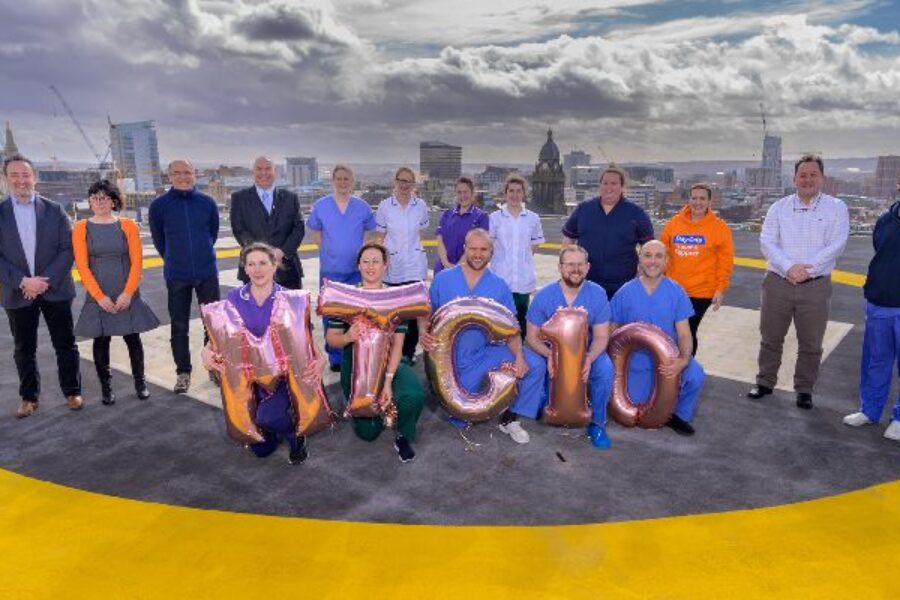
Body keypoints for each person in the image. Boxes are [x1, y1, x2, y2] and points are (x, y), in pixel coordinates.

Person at [747, 155, 849, 410]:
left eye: (813, 174)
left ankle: (804, 389)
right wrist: (789, 267)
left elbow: (837, 244)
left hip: (815, 285)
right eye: (802, 175)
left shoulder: (837, 208)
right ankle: (765, 382)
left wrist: (806, 269)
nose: (808, 180)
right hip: (778, 282)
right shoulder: (778, 208)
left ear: (822, 178)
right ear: (794, 179)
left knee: (811, 342)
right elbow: (767, 241)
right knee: (770, 337)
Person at [202, 243, 317, 464]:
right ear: (245, 269)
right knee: (261, 450)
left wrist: (318, 360)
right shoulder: (234, 298)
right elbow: (219, 333)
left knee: (268, 416)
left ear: (275, 266)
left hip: (281, 376)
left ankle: (295, 437)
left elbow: (305, 337)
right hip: (248, 375)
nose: (257, 269)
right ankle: (271, 426)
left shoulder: (290, 298)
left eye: (263, 263)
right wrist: (205, 351)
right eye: (251, 264)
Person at [421, 228, 540, 443]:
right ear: (465, 249)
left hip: (486, 353)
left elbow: (511, 329)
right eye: (473, 249)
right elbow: (425, 313)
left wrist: (520, 357)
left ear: (491, 252)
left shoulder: (499, 285)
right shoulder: (443, 279)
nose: (478, 254)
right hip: (449, 361)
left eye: (483, 249)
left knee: (535, 364)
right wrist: (422, 331)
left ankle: (510, 416)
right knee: (458, 414)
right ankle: (465, 398)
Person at [325, 242, 425, 463]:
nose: (371, 266)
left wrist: (388, 381)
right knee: (368, 433)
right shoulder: (346, 296)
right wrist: (348, 337)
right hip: (356, 369)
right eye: (366, 261)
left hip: (390, 364)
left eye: (376, 261)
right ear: (358, 265)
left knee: (413, 395)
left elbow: (398, 344)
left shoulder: (394, 297)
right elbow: (331, 338)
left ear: (385, 266)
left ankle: (403, 434)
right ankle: (380, 411)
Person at [0, 154, 82, 417]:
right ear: (5, 179)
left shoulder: (55, 210)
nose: (21, 180)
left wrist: (43, 282)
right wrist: (23, 281)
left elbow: (67, 249)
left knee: (65, 344)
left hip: (55, 289)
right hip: (17, 290)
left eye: (25, 175)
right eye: (14, 175)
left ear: (34, 177)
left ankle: (72, 391)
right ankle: (28, 398)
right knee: (24, 348)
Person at [519, 245, 615, 449]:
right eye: (570, 264)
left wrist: (589, 358)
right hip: (549, 352)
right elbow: (532, 336)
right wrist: (550, 355)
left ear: (588, 267)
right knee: (532, 361)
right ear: (560, 267)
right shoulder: (544, 295)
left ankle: (597, 423)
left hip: (584, 353)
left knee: (604, 367)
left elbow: (600, 336)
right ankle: (539, 403)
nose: (575, 268)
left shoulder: (597, 294)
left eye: (580, 264)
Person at [72, 179, 159, 405]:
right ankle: (106, 389)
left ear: (113, 201)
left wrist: (128, 293)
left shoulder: (128, 225)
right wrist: (99, 297)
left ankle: (140, 383)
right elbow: (82, 266)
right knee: (101, 341)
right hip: (98, 294)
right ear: (89, 201)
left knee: (133, 338)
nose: (99, 202)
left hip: (126, 292)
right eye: (94, 198)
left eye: (104, 198)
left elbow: (137, 263)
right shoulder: (81, 227)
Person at [609, 240, 706, 436]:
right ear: (640, 259)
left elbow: (685, 333)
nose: (652, 261)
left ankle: (678, 416)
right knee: (637, 404)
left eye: (658, 256)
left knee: (695, 374)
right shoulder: (625, 292)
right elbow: (613, 333)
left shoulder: (676, 292)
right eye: (647, 255)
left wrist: (683, 360)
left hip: (666, 361)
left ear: (667, 261)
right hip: (635, 361)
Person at [149, 159, 221, 394]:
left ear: (195, 174)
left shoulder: (207, 203)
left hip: (206, 272)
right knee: (179, 326)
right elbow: (159, 240)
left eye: (187, 173)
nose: (183, 177)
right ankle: (183, 372)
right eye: (177, 173)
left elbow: (213, 233)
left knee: (212, 325)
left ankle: (213, 367)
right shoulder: (159, 206)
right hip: (177, 274)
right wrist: (173, 258)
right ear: (168, 176)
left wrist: (201, 255)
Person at [843, 179, 900, 442]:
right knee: (875, 360)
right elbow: (880, 251)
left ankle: (899, 419)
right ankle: (870, 410)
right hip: (879, 303)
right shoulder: (886, 220)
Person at [307, 164, 376, 371]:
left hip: (356, 271)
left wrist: (361, 253)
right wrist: (329, 250)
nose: (343, 182)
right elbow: (316, 232)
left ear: (352, 182)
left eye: (347, 179)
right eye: (339, 178)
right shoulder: (321, 206)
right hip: (331, 270)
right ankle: (336, 357)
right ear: (333, 181)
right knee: (331, 315)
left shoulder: (362, 206)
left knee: (358, 314)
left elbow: (369, 232)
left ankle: (356, 353)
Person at [659, 183, 734, 355]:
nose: (697, 202)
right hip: (673, 290)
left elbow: (725, 261)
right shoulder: (674, 224)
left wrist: (720, 288)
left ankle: (685, 372)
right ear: (689, 200)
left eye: (702, 198)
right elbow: (663, 253)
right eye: (694, 198)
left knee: (687, 332)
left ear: (709, 202)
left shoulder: (719, 227)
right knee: (671, 332)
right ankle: (670, 372)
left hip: (701, 292)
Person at [562, 166, 654, 299]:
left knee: (621, 320)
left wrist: (640, 274)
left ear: (622, 187)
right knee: (588, 319)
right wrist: (568, 265)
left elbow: (649, 247)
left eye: (614, 183)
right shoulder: (584, 210)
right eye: (605, 183)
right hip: (586, 282)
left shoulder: (636, 213)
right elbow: (568, 237)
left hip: (624, 285)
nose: (608, 187)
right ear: (599, 185)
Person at [375, 167, 429, 365]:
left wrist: (417, 251)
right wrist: (381, 262)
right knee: (395, 312)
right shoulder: (384, 206)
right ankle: (392, 351)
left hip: (414, 264)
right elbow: (380, 236)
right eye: (401, 180)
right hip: (394, 264)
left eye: (409, 181)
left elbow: (422, 233)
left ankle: (408, 353)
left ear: (414, 184)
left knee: (413, 311)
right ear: (395, 182)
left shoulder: (420, 205)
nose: (405, 185)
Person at [230, 156, 306, 289]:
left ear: (275, 172)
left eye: (268, 169)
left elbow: (299, 229)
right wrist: (261, 254)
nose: (263, 173)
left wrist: (282, 252)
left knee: (290, 310)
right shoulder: (239, 199)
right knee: (254, 310)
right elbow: (239, 230)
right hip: (254, 271)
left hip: (288, 270)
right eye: (259, 169)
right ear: (253, 172)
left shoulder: (290, 198)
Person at [489, 174, 545, 336]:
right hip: (500, 277)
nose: (514, 195)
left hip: (523, 278)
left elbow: (535, 244)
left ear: (523, 194)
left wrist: (523, 259)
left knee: (521, 319)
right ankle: (501, 357)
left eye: (518, 191)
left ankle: (518, 356)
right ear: (505, 193)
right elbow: (490, 245)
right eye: (511, 191)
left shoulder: (533, 218)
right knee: (499, 319)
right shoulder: (495, 218)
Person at [434, 176, 489, 275]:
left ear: (472, 193)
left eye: (465, 192)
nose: (462, 195)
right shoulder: (447, 214)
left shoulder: (482, 217)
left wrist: (457, 267)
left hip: (468, 272)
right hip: (443, 270)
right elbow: (440, 240)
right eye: (459, 192)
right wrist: (446, 264)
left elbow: (478, 247)